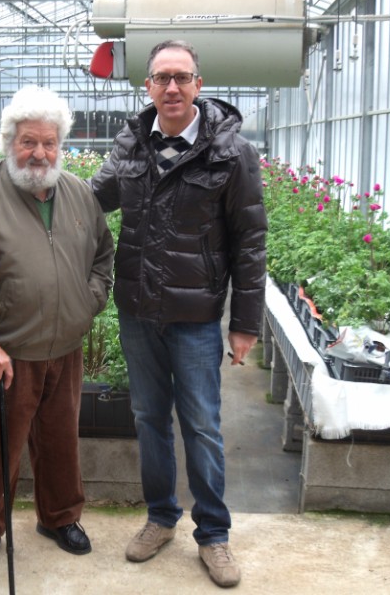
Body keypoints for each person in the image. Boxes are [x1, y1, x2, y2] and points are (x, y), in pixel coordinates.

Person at [91, 40, 267, 589]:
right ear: (147, 85)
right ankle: (161, 518)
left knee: (202, 425)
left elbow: (250, 241)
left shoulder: (231, 152)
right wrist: (29, 181)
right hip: (138, 310)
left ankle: (213, 533)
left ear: (198, 84)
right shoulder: (131, 144)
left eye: (181, 77)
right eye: (161, 78)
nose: (171, 87)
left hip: (195, 315)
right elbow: (94, 199)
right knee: (149, 419)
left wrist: (245, 323)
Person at [0, 85, 114, 573]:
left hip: (65, 347)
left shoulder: (78, 193)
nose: (40, 153)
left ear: (60, 145)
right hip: (6, 352)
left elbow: (103, 255)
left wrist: (88, 302)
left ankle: (60, 517)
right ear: (9, 142)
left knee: (60, 441)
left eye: (49, 143)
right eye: (28, 142)